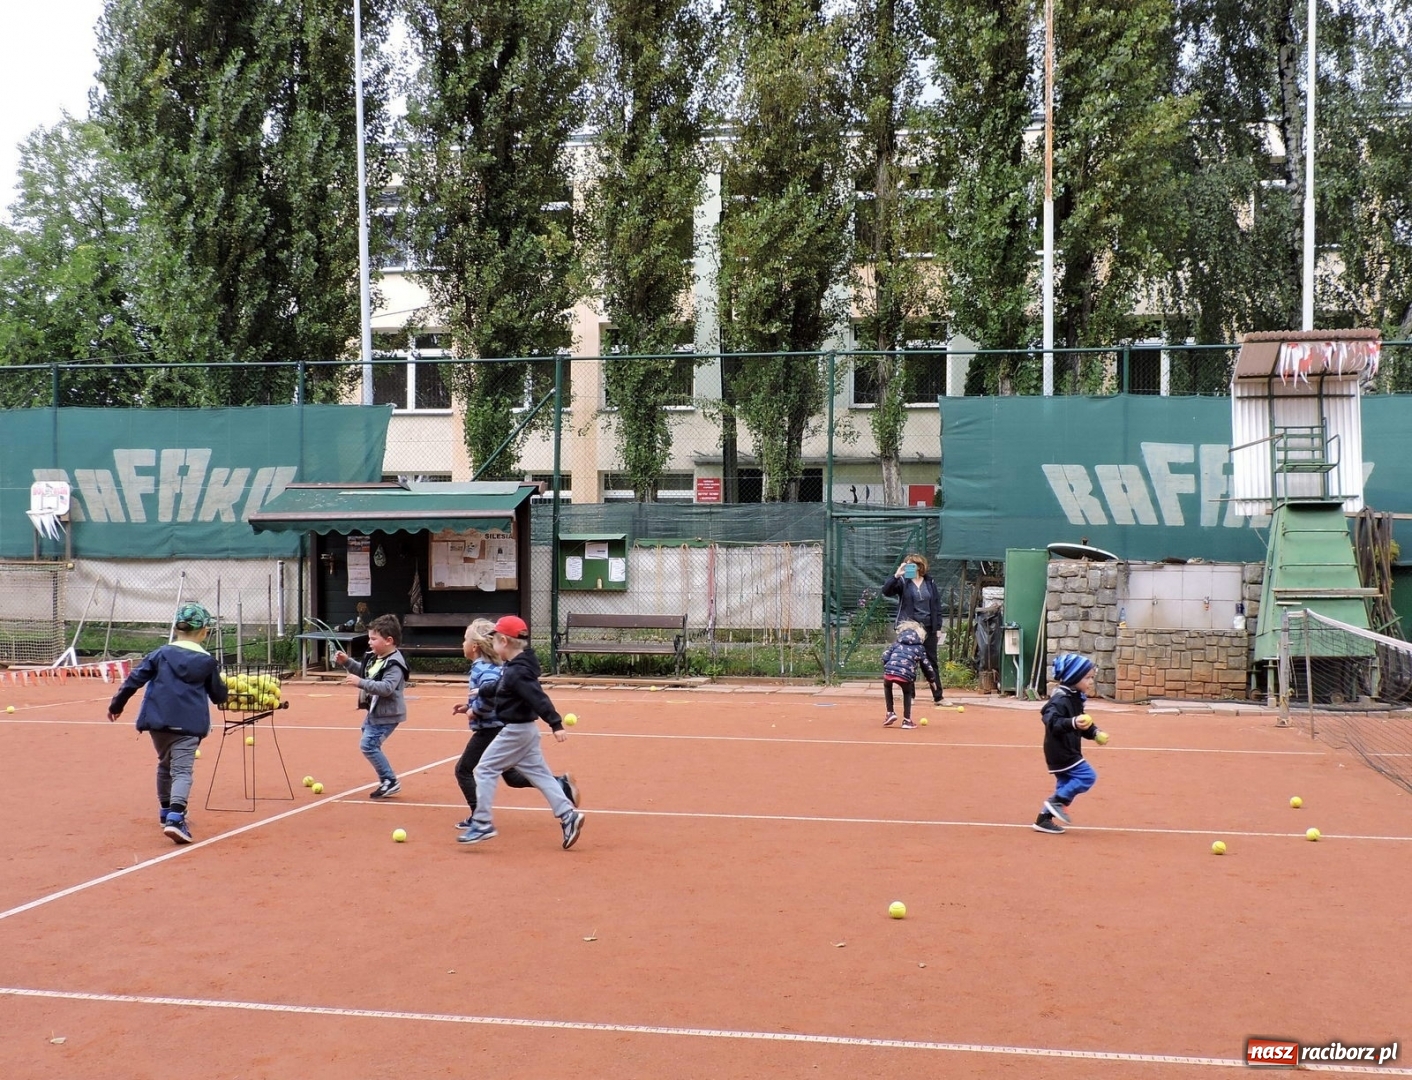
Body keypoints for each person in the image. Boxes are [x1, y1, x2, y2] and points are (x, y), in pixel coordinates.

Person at [458, 615, 585, 849]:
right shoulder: (515, 667)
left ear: (504, 642)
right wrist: (480, 694)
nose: (492, 644)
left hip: (516, 731)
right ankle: (568, 815)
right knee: (540, 775)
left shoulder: (517, 672)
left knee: (485, 769)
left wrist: (555, 723)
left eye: (494, 639)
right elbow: (501, 686)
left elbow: (538, 698)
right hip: (525, 731)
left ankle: (482, 823)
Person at [107, 602, 227, 845]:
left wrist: (116, 705)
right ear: (205, 632)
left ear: (175, 629)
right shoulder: (207, 662)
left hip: (158, 722)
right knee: (182, 771)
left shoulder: (160, 654)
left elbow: (134, 680)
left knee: (165, 764)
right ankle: (175, 818)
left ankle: (165, 812)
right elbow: (218, 696)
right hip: (189, 725)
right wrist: (223, 689)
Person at [334, 614, 409, 799]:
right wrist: (347, 662)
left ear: (389, 641)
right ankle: (387, 780)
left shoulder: (395, 664)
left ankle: (389, 780)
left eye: (373, 639)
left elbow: (386, 688)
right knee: (369, 741)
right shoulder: (376, 657)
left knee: (368, 745)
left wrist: (360, 683)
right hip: (375, 711)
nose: (369, 642)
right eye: (369, 638)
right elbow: (364, 671)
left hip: (388, 714)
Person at [1033, 653, 1105, 835]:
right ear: (1073, 677)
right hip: (1061, 751)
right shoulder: (1060, 699)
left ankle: (1044, 819)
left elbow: (1081, 722)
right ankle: (1057, 802)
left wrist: (1094, 732)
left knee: (1065, 784)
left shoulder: (1074, 697)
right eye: (1087, 678)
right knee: (1087, 776)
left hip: (1066, 749)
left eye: (1092, 678)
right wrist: (1072, 722)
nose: (1091, 682)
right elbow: (1051, 721)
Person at [881, 552, 944, 703]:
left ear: (920, 566)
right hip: (910, 629)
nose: (909, 567)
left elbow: (936, 605)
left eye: (912, 565)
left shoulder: (930, 582)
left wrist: (938, 627)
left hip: (928, 627)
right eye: (907, 564)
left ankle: (938, 697)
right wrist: (897, 575)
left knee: (931, 662)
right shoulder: (903, 582)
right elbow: (886, 591)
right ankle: (910, 696)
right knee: (909, 661)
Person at [880, 619, 940, 729]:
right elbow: (926, 666)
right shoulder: (919, 648)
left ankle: (890, 713)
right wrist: (932, 680)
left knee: (887, 686)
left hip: (889, 672)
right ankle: (907, 720)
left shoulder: (896, 643)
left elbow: (885, 656)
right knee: (907, 692)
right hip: (906, 676)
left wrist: (888, 667)